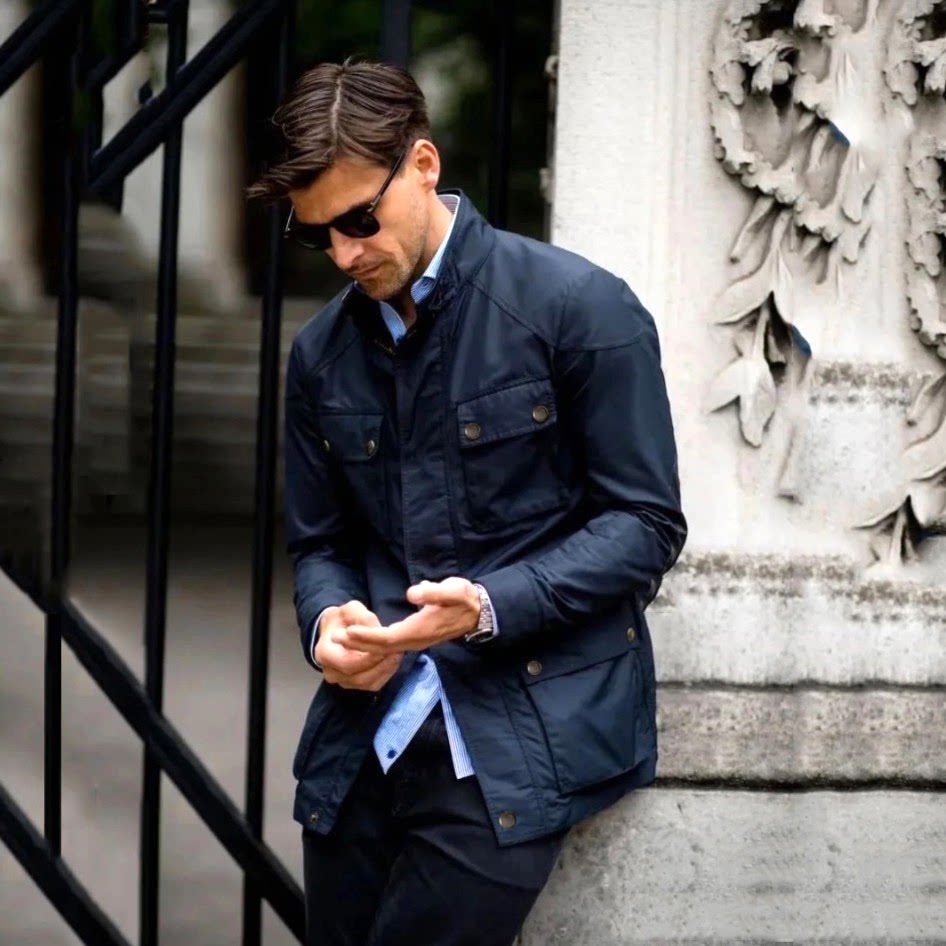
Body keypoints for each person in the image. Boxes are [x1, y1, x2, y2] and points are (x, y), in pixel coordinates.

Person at [249, 59, 687, 946]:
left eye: (360, 220)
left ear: (423, 164)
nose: (345, 254)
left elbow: (646, 524)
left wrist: (487, 607)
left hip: (517, 742)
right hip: (361, 748)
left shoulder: (579, 308)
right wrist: (327, 620)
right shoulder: (321, 355)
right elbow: (321, 543)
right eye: (317, 235)